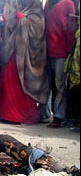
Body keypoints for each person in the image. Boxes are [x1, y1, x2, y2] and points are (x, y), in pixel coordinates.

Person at [0, 0, 48, 124]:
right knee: (8, 82)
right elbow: (10, 26)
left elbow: (38, 31)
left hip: (26, 57)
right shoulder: (17, 7)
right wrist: (10, 20)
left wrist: (23, 21)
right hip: (12, 52)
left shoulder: (37, 11)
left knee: (22, 85)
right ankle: (7, 115)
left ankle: (21, 116)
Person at [40, 0, 77, 128]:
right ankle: (44, 114)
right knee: (46, 85)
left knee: (60, 85)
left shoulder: (68, 3)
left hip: (62, 53)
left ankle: (58, 117)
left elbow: (71, 30)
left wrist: (69, 50)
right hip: (47, 52)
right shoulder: (48, 4)